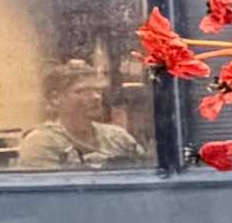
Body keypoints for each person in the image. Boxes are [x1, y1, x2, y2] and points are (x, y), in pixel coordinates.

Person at [14, 61, 143, 171]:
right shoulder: (42, 143)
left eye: (98, 90)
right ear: (55, 98)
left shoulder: (118, 137)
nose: (96, 97)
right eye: (82, 91)